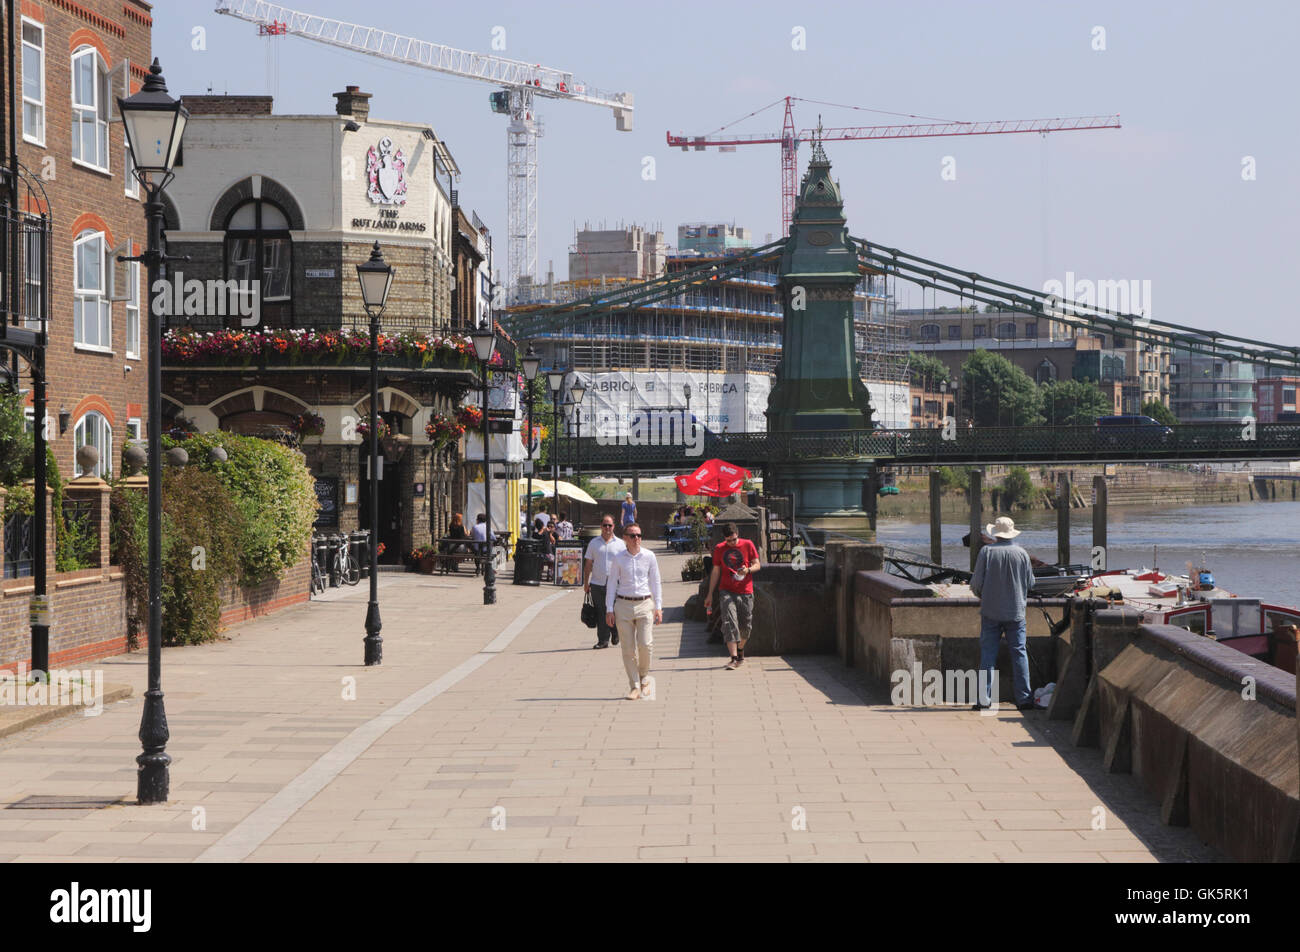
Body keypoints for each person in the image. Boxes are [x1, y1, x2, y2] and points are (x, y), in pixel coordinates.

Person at [969, 516, 1037, 711]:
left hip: (990, 612)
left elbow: (976, 585)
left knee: (988, 655)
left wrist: (984, 596)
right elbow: (1031, 583)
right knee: (1019, 653)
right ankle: (1024, 699)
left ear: (996, 534)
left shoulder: (986, 552)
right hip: (1016, 612)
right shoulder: (1022, 553)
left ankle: (984, 700)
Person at [605, 522, 662, 700]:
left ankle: (644, 676)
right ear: (625, 539)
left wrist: (658, 606)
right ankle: (634, 685)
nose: (637, 538)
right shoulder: (618, 558)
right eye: (632, 535)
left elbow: (655, 581)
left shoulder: (649, 556)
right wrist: (609, 609)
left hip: (645, 603)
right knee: (628, 649)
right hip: (623, 604)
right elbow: (612, 583)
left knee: (645, 644)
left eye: (639, 535)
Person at [704, 523, 761, 669]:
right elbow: (716, 571)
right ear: (724, 538)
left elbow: (757, 564)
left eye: (734, 540)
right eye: (728, 541)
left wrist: (747, 570)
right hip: (726, 590)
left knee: (746, 625)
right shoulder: (719, 548)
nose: (731, 543)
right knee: (729, 622)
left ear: (738, 535)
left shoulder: (748, 545)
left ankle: (741, 650)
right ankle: (734, 658)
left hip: (746, 591)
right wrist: (710, 594)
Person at [584, 515, 625, 649]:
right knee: (601, 612)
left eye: (610, 525)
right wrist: (586, 582)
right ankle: (603, 640)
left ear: (614, 526)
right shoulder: (594, 543)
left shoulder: (620, 544)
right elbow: (588, 564)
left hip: (616, 584)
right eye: (605, 525)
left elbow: (625, 564)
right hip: (597, 583)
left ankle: (615, 631)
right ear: (601, 526)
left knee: (615, 611)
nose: (607, 528)